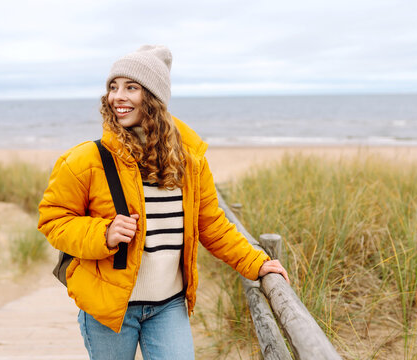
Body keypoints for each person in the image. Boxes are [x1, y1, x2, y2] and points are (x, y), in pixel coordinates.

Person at [37, 45, 290, 360]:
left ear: (154, 98)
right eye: (113, 87)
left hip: (169, 305)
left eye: (131, 87)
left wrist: (256, 263)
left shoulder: (189, 160)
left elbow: (211, 224)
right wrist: (103, 233)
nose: (118, 96)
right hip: (108, 306)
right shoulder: (85, 160)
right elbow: (54, 220)